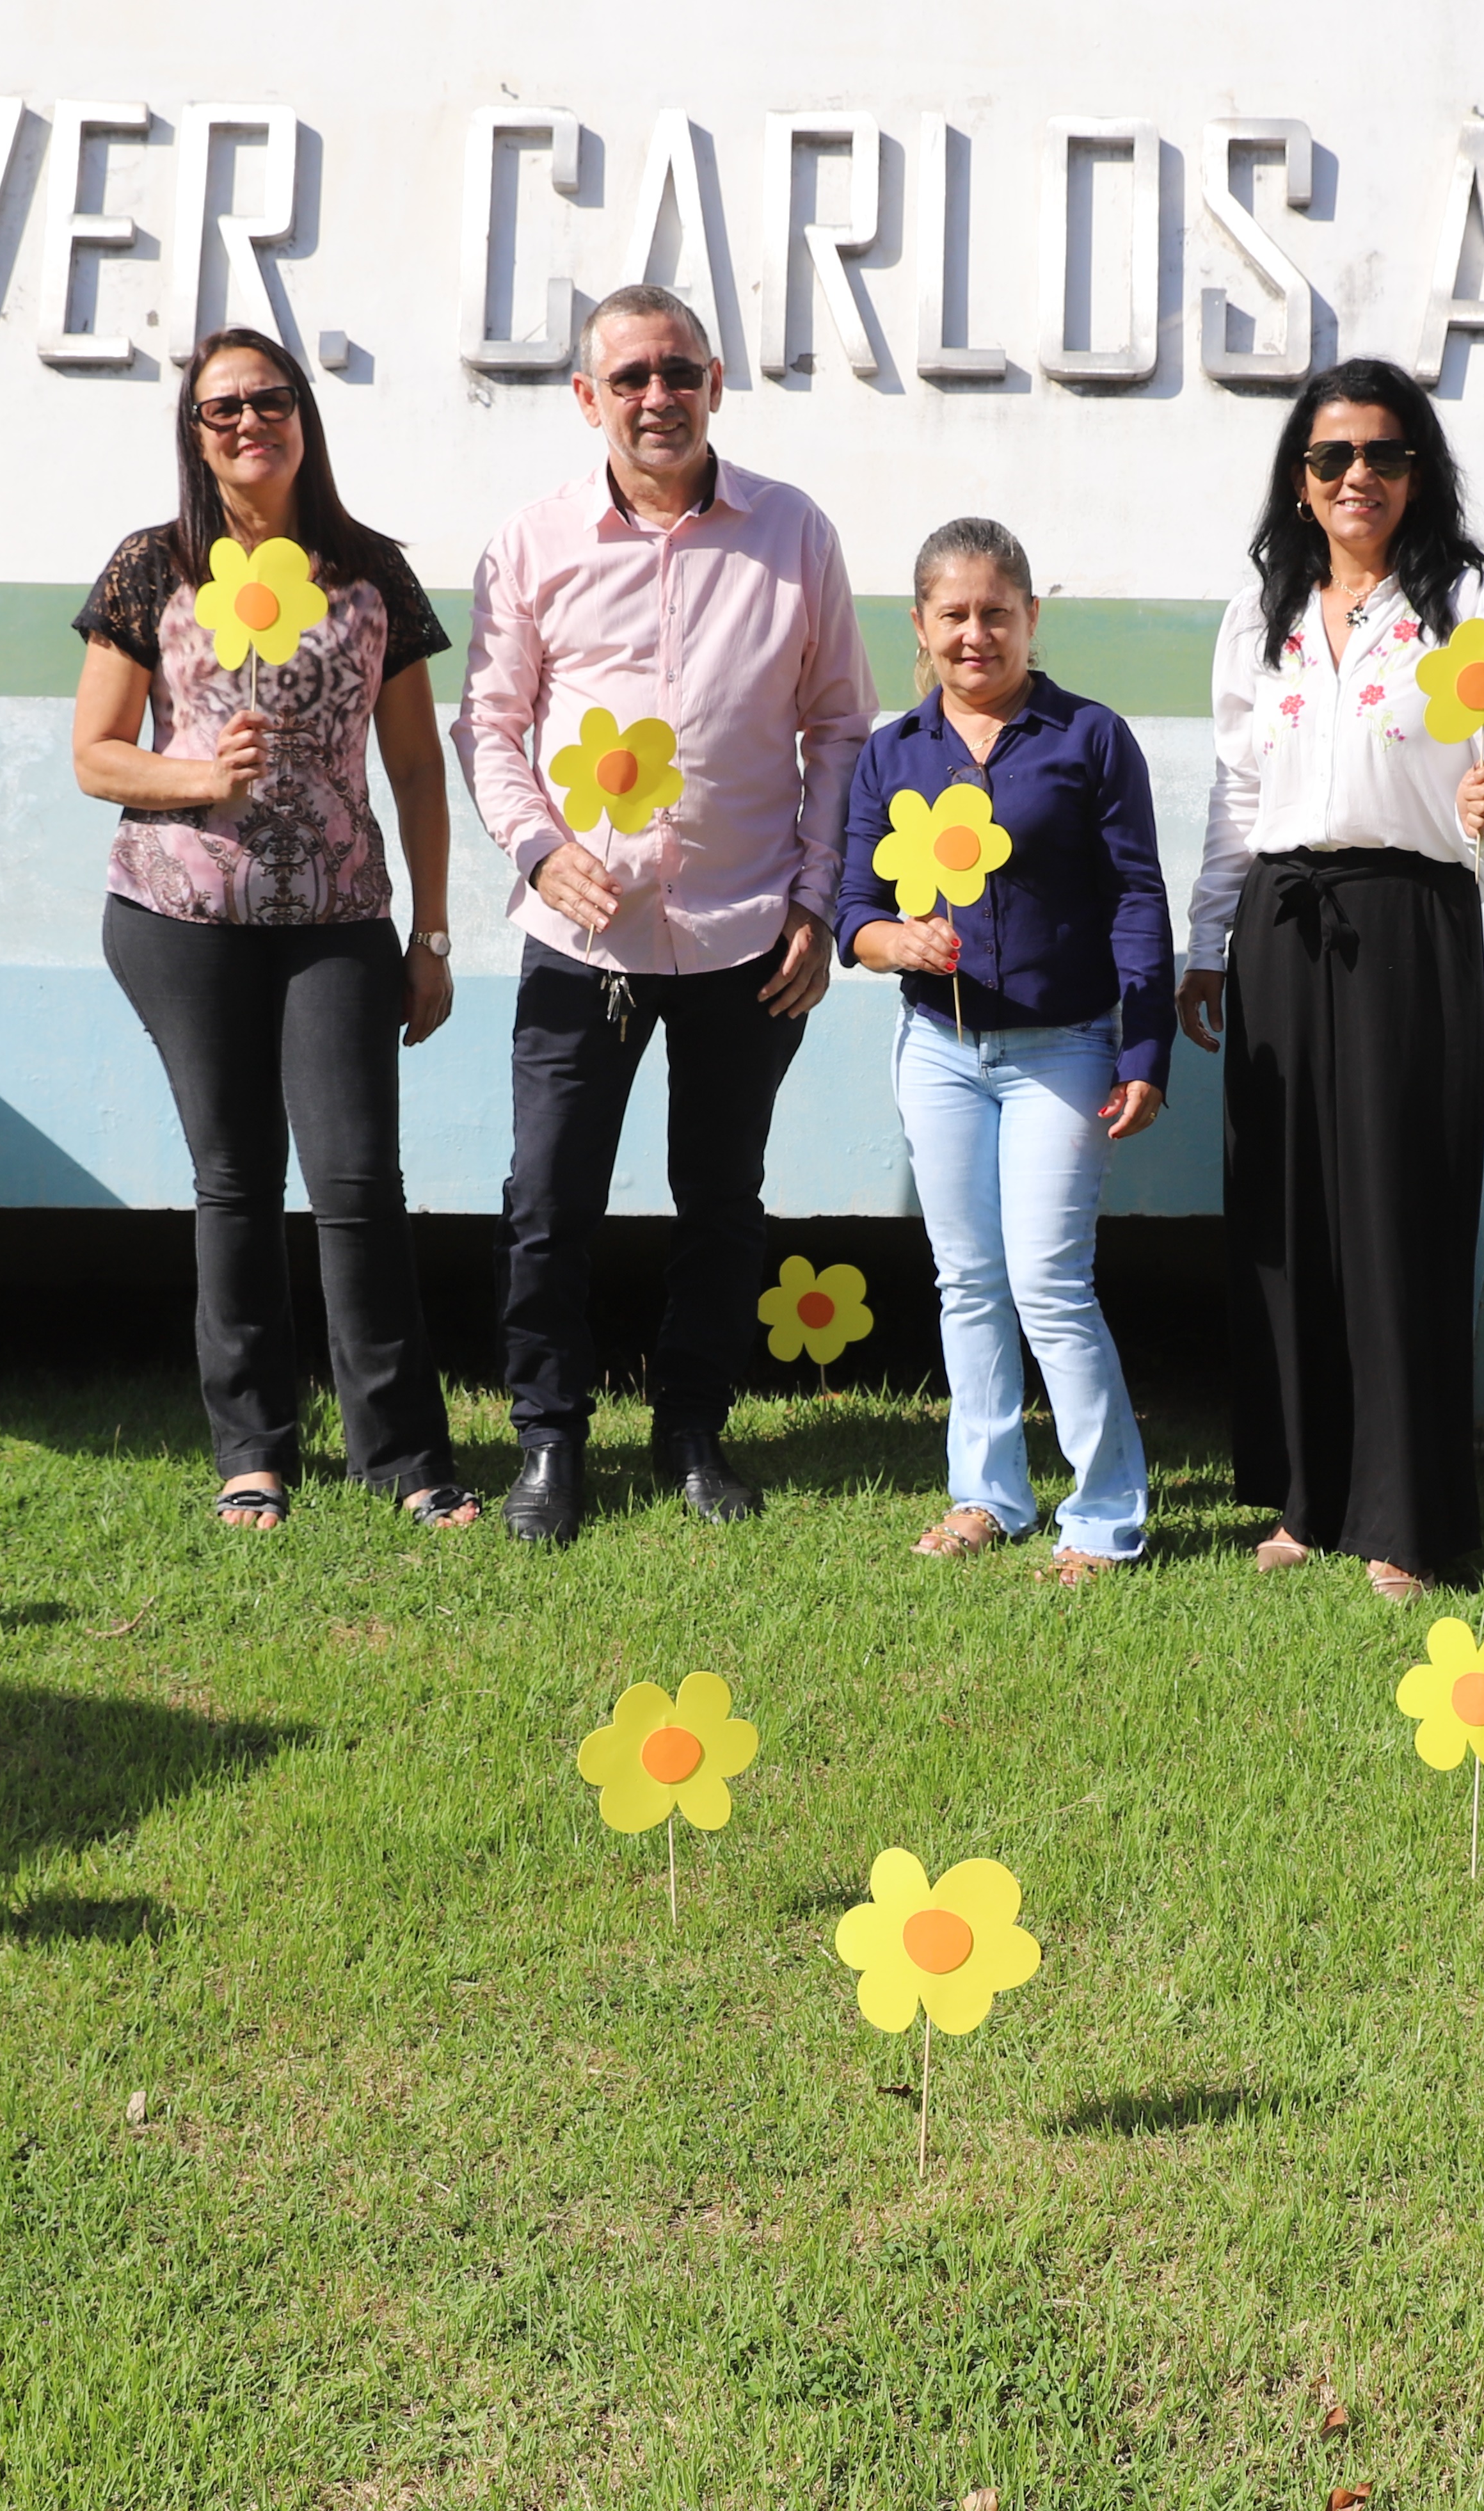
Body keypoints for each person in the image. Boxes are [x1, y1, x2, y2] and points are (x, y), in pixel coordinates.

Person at [452, 287, 881, 1546]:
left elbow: (839, 726)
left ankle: (692, 1433)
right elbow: (488, 726)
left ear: (715, 382)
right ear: (588, 398)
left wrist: (818, 893)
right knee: (547, 1201)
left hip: (750, 933)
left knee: (722, 1202)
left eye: (678, 372)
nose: (657, 396)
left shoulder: (794, 533)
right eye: (630, 376)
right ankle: (548, 1443)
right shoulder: (531, 544)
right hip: (582, 942)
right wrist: (537, 851)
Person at [70, 328, 477, 1533]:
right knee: (234, 1181)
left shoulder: (370, 574)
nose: (250, 422)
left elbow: (412, 770)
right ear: (195, 437)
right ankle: (252, 1453)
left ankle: (403, 1458)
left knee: (357, 1182)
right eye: (222, 409)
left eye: (271, 399)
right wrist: (199, 777)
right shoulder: (154, 568)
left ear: (305, 415)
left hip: (339, 917)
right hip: (180, 915)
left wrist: (434, 936)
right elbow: (95, 758)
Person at [1179, 360, 1484, 1603]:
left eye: (1385, 456)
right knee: (1288, 1217)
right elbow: (1237, 792)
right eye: (1333, 458)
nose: (1358, 478)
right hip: (1282, 926)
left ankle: (1405, 1515)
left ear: (1419, 470)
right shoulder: (1264, 608)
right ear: (1300, 479)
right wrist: (1206, 942)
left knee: (1399, 1213)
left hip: (1409, 920)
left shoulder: (1469, 600)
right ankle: (1306, 1495)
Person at [835, 519, 1172, 1581]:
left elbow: (1136, 899)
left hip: (1064, 1051)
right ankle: (988, 1497)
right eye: (954, 615)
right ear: (921, 628)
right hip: (937, 1048)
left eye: (997, 612)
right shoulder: (893, 752)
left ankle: (1105, 1518)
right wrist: (901, 939)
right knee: (968, 1279)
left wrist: (1144, 1045)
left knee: (1049, 1282)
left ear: (1032, 617)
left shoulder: (1090, 738)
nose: (976, 634)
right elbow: (855, 910)